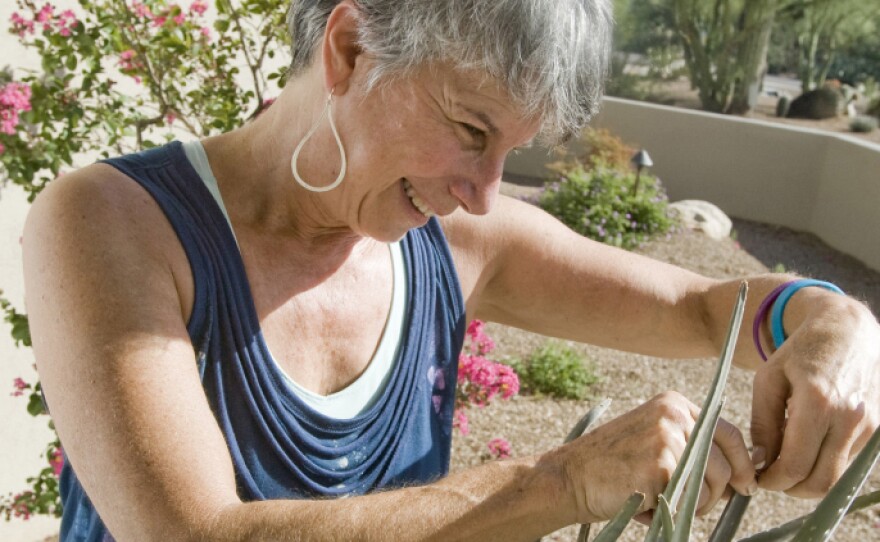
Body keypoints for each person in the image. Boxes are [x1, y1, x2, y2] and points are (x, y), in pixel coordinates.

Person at [21, 1, 879, 540]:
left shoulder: (462, 244)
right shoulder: (113, 222)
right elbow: (192, 534)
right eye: (472, 130)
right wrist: (565, 479)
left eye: (510, 151)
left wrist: (830, 320)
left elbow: (704, 310)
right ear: (352, 48)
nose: (482, 193)